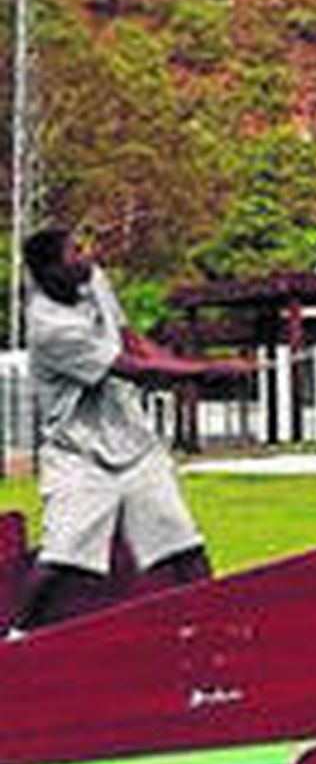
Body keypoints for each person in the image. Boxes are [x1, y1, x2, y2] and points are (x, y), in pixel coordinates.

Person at [4, 227, 249, 637]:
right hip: (79, 456)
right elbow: (134, 369)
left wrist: (195, 367)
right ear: (49, 271)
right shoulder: (49, 326)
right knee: (62, 558)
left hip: (135, 447)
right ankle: (16, 637)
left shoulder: (93, 280)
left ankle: (214, 628)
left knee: (183, 545)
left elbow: (133, 342)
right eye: (73, 253)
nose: (85, 257)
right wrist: (210, 371)